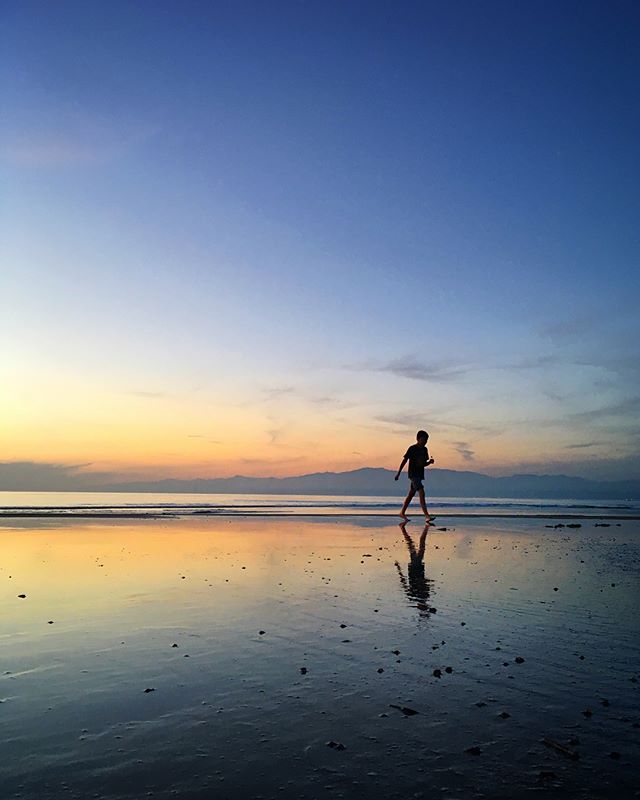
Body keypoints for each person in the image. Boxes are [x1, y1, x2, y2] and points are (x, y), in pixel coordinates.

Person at [394, 429, 435, 520]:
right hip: (413, 474)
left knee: (411, 494)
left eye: (426, 440)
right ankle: (427, 516)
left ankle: (402, 512)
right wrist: (398, 473)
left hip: (420, 475)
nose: (425, 442)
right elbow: (405, 460)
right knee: (421, 491)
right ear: (418, 439)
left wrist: (429, 462)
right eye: (424, 439)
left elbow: (423, 464)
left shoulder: (425, 450)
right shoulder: (412, 448)